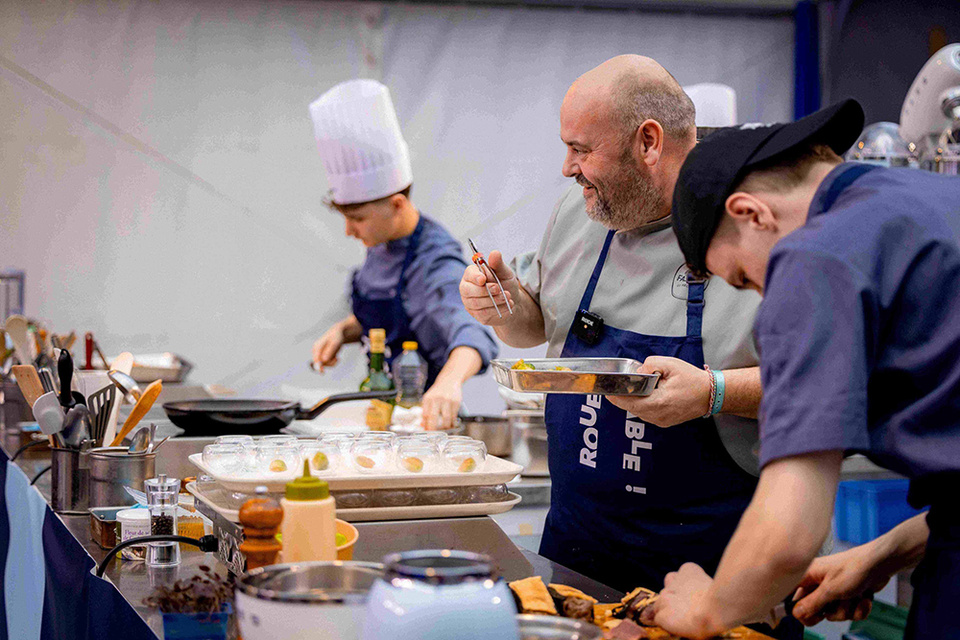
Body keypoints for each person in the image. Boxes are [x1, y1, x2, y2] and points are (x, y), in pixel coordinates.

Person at [460, 55, 800, 638]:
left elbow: (825, 387)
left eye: (580, 148)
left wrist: (714, 392)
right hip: (576, 562)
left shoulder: (759, 233)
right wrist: (505, 301)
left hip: (708, 578)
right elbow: (535, 325)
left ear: (648, 143)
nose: (566, 167)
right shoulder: (581, 209)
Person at [656, 98, 960, 639]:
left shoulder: (814, 257)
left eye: (744, 279)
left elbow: (790, 533)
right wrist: (887, 552)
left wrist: (707, 608)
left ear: (751, 212)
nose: (761, 294)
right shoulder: (935, 198)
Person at [308, 79, 498, 429]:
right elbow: (394, 308)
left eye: (357, 219)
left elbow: (474, 333)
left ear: (397, 205)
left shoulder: (435, 260)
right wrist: (344, 331)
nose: (349, 231)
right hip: (386, 416)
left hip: (426, 422)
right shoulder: (381, 242)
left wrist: (448, 384)